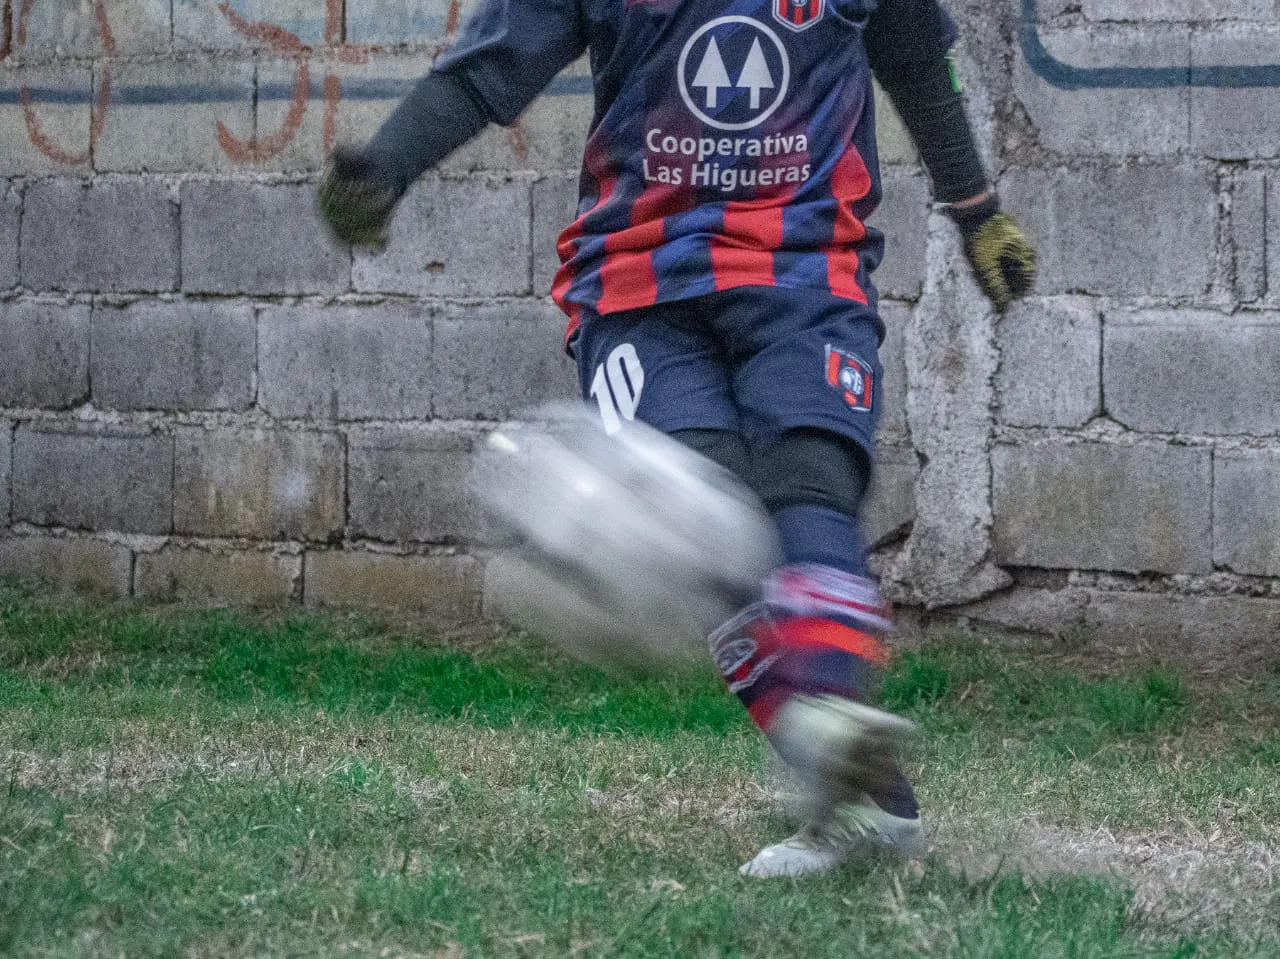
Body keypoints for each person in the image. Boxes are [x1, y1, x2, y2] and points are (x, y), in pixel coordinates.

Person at [317, 0, 1036, 877]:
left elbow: (916, 53)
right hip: (638, 287)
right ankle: (853, 783)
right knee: (702, 513)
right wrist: (384, 167)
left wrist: (976, 209)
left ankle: (842, 748)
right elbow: (493, 66)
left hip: (806, 271)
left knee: (808, 476)